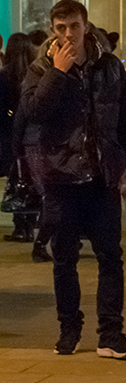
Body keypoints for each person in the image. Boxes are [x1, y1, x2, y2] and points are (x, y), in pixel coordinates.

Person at [19, 0, 126, 359]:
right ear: (53, 29)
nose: (68, 34)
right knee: (64, 259)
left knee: (110, 257)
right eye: (60, 28)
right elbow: (33, 113)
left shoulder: (109, 67)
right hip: (60, 177)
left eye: (74, 26)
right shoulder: (41, 67)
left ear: (86, 25)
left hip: (102, 176)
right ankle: (69, 329)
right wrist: (58, 73)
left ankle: (111, 334)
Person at [1, 33, 41, 242]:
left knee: (18, 179)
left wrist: (10, 116)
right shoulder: (35, 74)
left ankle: (21, 227)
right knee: (32, 179)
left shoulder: (5, 76)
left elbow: (3, 109)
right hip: (33, 135)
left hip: (11, 134)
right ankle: (31, 222)